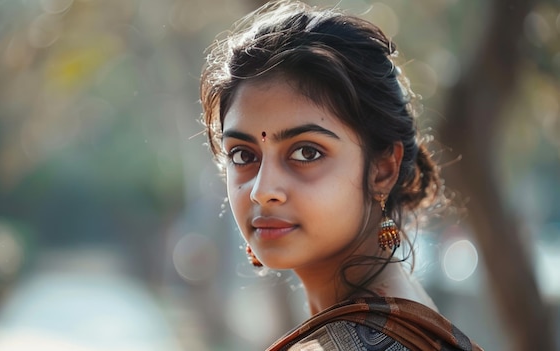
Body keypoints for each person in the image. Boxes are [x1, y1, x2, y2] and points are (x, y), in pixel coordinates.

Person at [199, 1, 483, 350]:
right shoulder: (414, 317)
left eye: (307, 153)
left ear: (383, 168)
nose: (262, 190)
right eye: (243, 155)